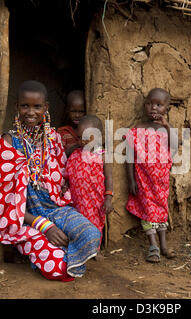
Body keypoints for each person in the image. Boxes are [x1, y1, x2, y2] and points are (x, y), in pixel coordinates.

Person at [0, 80, 101, 281]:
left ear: (46, 108)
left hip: (56, 209)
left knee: (92, 235)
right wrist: (44, 226)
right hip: (24, 220)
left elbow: (63, 182)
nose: (30, 112)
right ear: (17, 107)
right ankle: (55, 252)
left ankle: (59, 248)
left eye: (37, 106)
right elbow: (4, 201)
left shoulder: (53, 138)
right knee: (58, 267)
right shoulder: (7, 142)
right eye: (25, 106)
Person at [125, 88, 178, 263]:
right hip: (144, 180)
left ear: (167, 109)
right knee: (147, 211)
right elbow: (130, 156)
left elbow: (176, 145)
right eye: (149, 103)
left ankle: (164, 245)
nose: (153, 108)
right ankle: (153, 245)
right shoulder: (138, 129)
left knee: (162, 211)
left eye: (158, 105)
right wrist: (131, 179)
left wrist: (166, 125)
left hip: (161, 181)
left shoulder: (166, 130)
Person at [65, 115, 113, 259]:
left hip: (95, 201)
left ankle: (94, 250)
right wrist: (65, 186)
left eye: (88, 137)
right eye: (80, 137)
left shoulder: (104, 156)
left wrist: (108, 198)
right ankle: (79, 248)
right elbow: (69, 174)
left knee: (95, 224)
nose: (83, 141)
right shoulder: (75, 154)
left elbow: (109, 178)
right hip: (76, 200)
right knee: (77, 224)